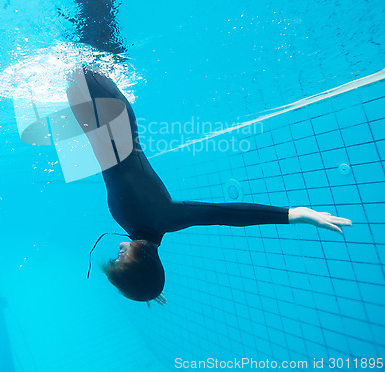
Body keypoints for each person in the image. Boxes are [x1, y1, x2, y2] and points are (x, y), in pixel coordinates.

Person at [66, 68, 353, 303]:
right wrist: (293, 215)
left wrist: (149, 287)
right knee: (86, 40)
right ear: (142, 260)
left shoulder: (141, 227)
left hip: (92, 120)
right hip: (107, 111)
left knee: (84, 43)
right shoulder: (163, 217)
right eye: (122, 257)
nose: (119, 248)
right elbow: (224, 215)